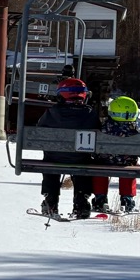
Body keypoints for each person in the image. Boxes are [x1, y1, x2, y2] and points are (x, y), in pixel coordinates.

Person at [37, 76, 99, 218]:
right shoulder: (90, 114)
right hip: (80, 157)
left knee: (50, 164)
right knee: (84, 163)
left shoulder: (52, 112)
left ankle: (50, 201)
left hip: (54, 157)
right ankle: (81, 202)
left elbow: (39, 131)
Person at [91, 94, 140, 213]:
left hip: (103, 161)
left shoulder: (103, 128)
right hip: (125, 162)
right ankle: (127, 200)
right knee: (129, 168)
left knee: (99, 167)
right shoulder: (135, 131)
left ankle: (100, 200)